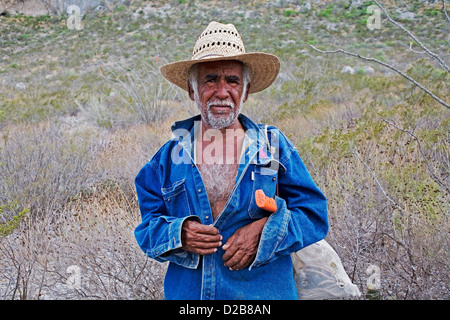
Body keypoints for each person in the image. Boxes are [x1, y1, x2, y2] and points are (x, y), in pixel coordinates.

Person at [134, 21, 328, 300]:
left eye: (233, 81)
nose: (222, 92)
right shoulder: (167, 160)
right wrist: (180, 233)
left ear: (246, 92)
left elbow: (313, 215)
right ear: (192, 91)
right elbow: (147, 229)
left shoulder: (272, 148)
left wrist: (265, 230)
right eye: (210, 79)